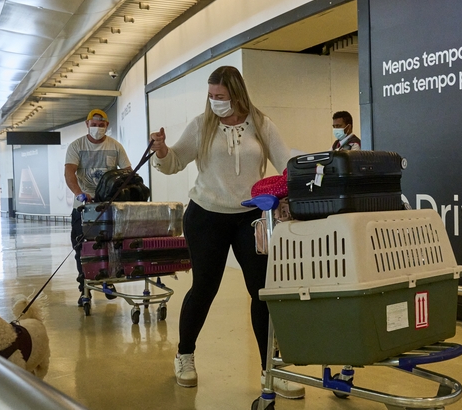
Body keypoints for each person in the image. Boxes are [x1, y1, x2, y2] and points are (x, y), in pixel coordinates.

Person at [149, 66, 305, 399]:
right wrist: (161, 150)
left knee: (261, 292)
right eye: (211, 96)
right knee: (204, 287)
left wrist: (310, 169)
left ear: (236, 94)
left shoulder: (261, 124)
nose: (214, 102)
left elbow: (285, 161)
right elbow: (175, 160)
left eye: (220, 96)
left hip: (250, 216)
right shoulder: (201, 125)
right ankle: (185, 356)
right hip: (205, 216)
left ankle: (271, 369)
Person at [64, 109, 131, 306]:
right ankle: (84, 287)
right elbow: (70, 173)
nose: (97, 128)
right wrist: (80, 193)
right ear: (87, 125)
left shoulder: (115, 146)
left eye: (101, 125)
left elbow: (127, 172)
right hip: (84, 207)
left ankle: (108, 281)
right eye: (94, 124)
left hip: (108, 208)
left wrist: (123, 191)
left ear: (107, 126)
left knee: (111, 246)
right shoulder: (76, 146)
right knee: (82, 248)